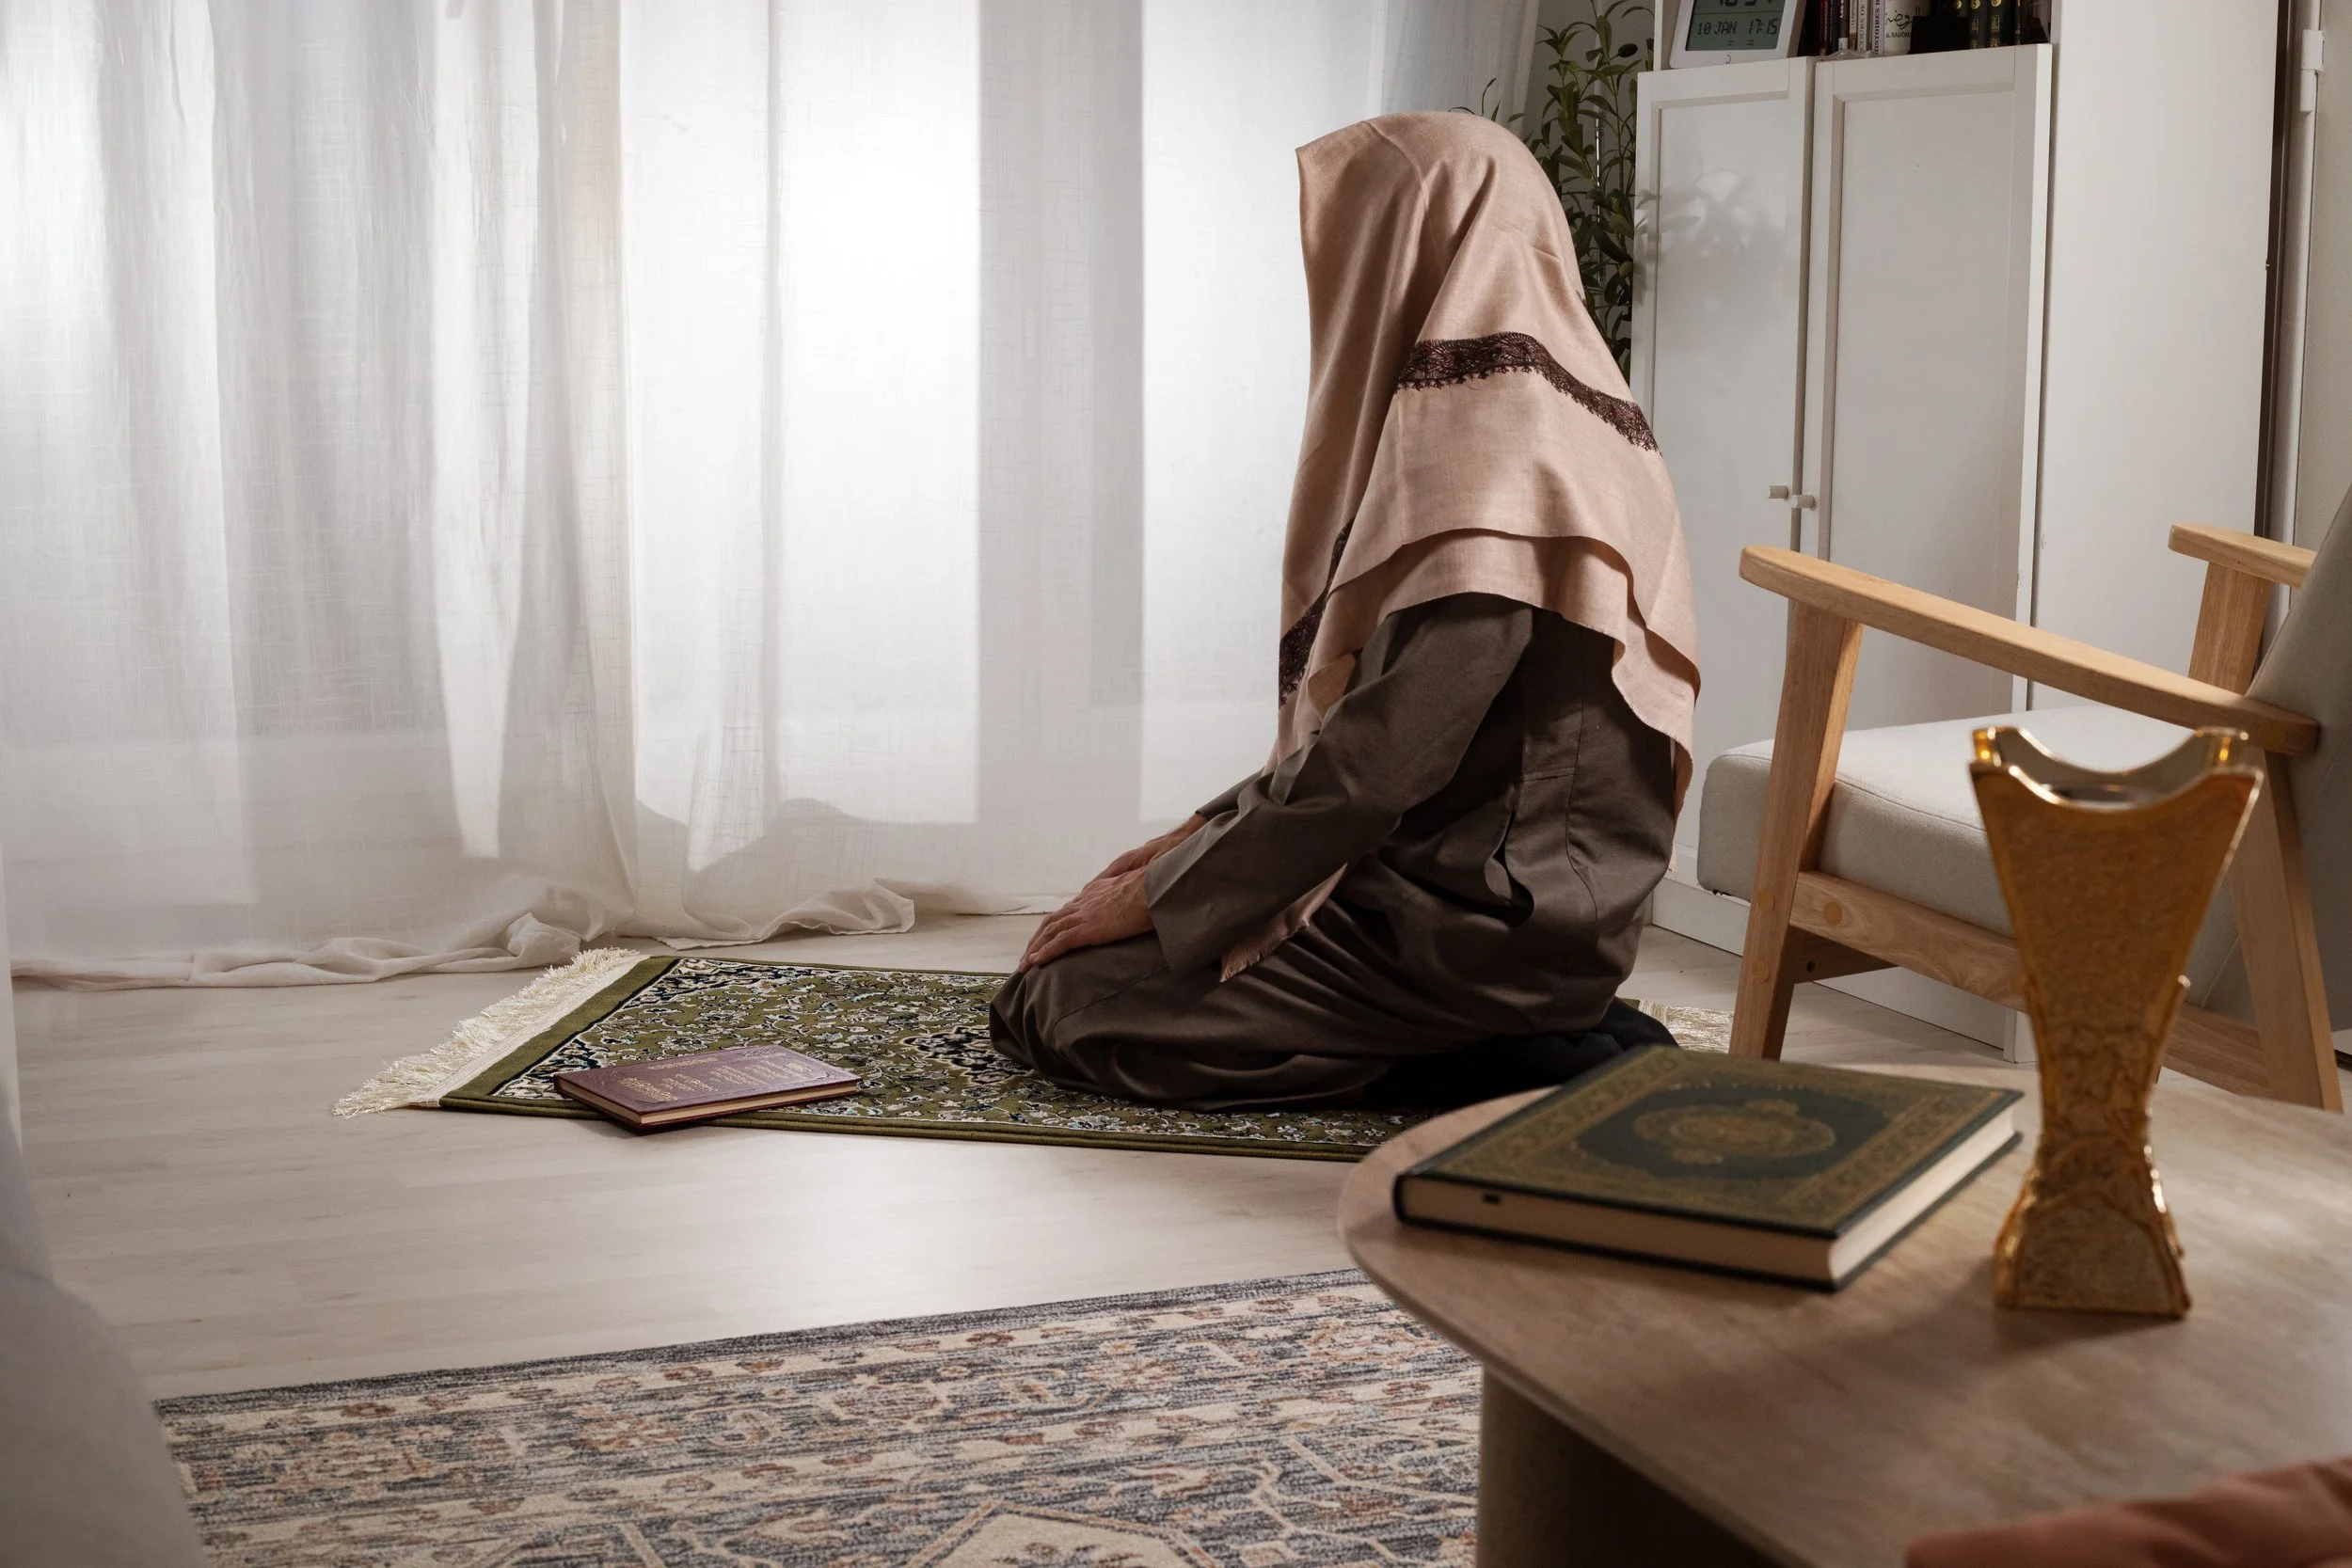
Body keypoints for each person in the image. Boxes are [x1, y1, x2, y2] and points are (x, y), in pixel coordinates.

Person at [990, 111, 1700, 1110]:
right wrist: (1191, 841)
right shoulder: (1566, 413)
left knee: (1060, 1003)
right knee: (1107, 969)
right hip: (1509, 902)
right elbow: (1388, 736)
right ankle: (1536, 1031)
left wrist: (1162, 896)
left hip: (1476, 927)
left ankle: (1518, 1051)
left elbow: (1378, 763)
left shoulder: (1496, 458)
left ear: (1408, 243)